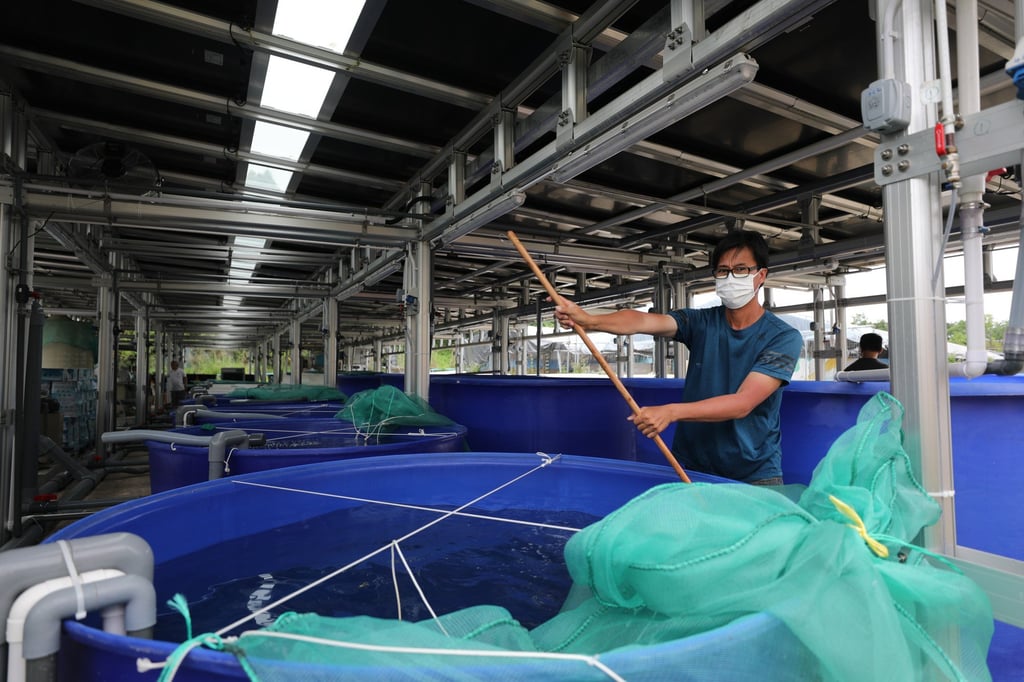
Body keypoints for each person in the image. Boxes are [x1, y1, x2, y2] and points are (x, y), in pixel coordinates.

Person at [554, 231, 803, 485]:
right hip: (696, 468)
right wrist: (589, 320)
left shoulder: (783, 337)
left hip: (754, 474)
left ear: (761, 275)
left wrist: (671, 412)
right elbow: (641, 320)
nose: (730, 278)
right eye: (722, 271)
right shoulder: (701, 322)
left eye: (741, 269)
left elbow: (742, 403)